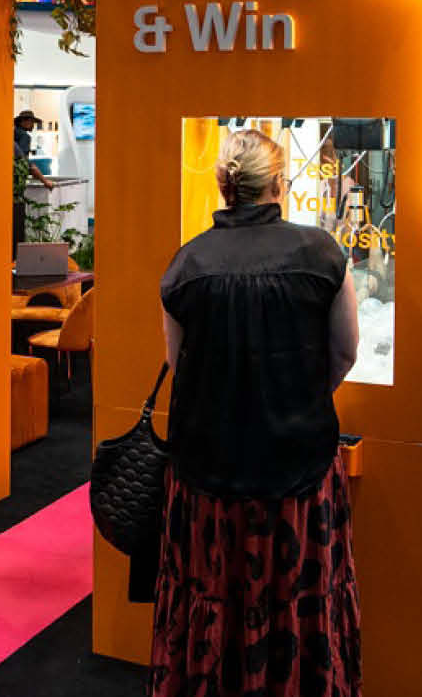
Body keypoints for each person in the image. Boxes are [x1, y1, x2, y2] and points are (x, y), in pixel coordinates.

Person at [154, 127, 364, 696]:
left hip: (207, 479)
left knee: (211, 598)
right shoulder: (322, 253)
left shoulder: (185, 263)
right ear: (278, 185)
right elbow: (345, 351)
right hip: (300, 478)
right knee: (299, 602)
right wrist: (296, 390)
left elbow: (179, 362)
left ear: (225, 187)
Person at [13, 110, 55, 188]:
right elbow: (24, 161)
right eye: (32, 122)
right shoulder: (24, 136)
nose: (33, 125)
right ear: (24, 121)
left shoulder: (12, 133)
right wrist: (45, 181)